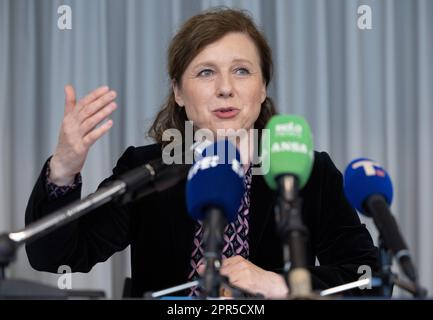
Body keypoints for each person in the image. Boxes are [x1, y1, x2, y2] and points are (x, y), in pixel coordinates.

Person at [25, 8, 379, 298]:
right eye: (206, 72)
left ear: (263, 88)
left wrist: (279, 285)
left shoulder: (307, 171)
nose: (225, 88)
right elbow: (56, 257)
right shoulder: (149, 168)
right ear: (178, 92)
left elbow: (371, 280)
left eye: (242, 71)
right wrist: (63, 170)